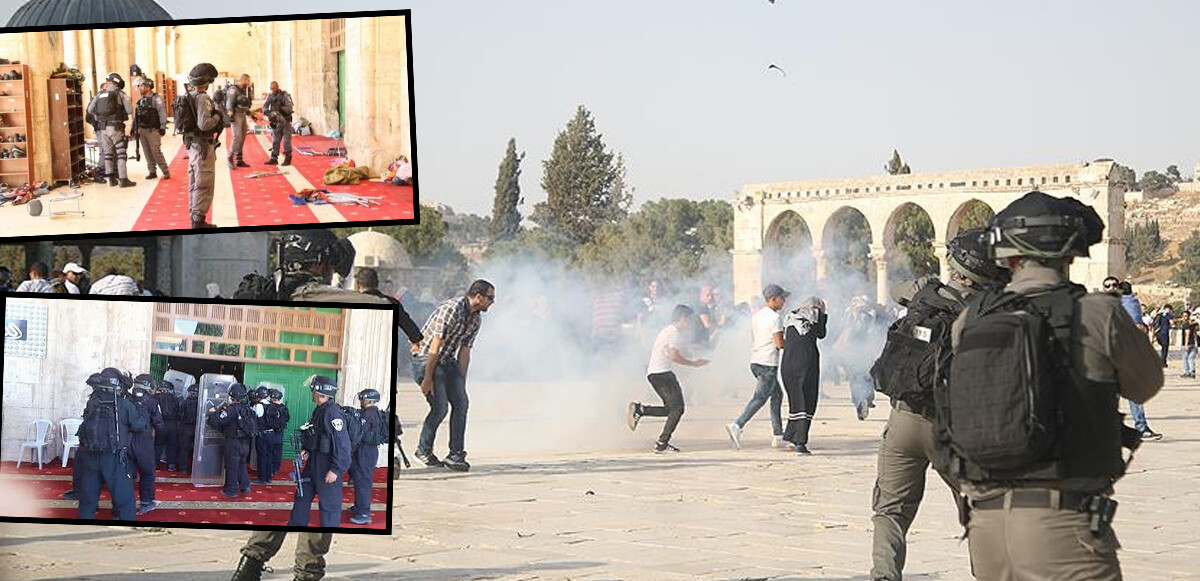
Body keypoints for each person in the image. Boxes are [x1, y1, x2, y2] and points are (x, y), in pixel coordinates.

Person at [945, 191, 1163, 580]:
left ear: (1009, 259)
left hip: (985, 530)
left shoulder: (969, 320)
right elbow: (1145, 385)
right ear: (1068, 256)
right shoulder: (1095, 312)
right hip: (1062, 528)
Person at [230, 232, 387, 581]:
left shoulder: (271, 285)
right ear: (319, 263)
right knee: (320, 523)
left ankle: (250, 565)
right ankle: (307, 573)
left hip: (304, 465)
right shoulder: (334, 413)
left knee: (289, 509)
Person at [867, 228, 1008, 581]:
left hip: (903, 422)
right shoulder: (984, 314)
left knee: (890, 512)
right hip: (952, 429)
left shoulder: (923, 297)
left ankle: (884, 576)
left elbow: (899, 295)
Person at [412, 279, 495, 472]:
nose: (492, 302)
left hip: (447, 361)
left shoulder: (475, 318)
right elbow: (434, 347)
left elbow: (465, 352)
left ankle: (456, 454)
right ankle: (423, 450)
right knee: (440, 407)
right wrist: (427, 378)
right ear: (478, 296)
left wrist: (461, 383)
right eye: (490, 298)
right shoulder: (452, 309)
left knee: (461, 403)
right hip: (427, 359)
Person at [626, 304, 711, 452]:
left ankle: (640, 410)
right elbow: (673, 355)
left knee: (670, 409)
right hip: (662, 374)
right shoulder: (674, 333)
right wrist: (693, 364)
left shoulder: (667, 331)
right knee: (678, 409)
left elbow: (669, 353)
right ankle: (662, 443)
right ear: (682, 319)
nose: (690, 324)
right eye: (689, 320)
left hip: (655, 373)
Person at [77, 368, 147, 521]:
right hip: (113, 457)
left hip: (90, 454)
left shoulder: (93, 402)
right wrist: (141, 407)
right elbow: (138, 425)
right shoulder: (123, 404)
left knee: (88, 500)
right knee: (126, 500)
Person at [726, 284, 789, 450]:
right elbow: (779, 343)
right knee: (760, 398)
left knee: (777, 395)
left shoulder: (757, 315)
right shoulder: (775, 318)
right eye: (782, 298)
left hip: (756, 361)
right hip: (768, 363)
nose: (784, 301)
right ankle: (737, 425)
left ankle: (778, 435)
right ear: (773, 299)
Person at [287, 375, 351, 527]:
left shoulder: (332, 413)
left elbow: (342, 444)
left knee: (329, 504)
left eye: (313, 390)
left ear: (320, 392)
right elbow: (315, 433)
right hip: (314, 462)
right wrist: (306, 448)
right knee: (302, 495)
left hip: (328, 465)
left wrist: (336, 469)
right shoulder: (320, 410)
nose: (311, 393)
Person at [778, 296, 828, 455]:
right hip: (806, 363)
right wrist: (823, 314)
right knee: (807, 401)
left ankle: (792, 438)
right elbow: (821, 334)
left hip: (788, 363)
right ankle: (800, 442)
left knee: (795, 402)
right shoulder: (816, 314)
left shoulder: (789, 316)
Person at [181, 63, 224, 229]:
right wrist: (218, 118)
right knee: (204, 181)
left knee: (194, 180)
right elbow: (205, 124)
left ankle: (195, 215)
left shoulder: (188, 96)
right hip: (202, 146)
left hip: (192, 145)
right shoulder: (203, 97)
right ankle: (198, 221)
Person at [206, 383, 256, 498]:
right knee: (242, 464)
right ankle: (245, 485)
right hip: (245, 443)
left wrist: (213, 413)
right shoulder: (248, 409)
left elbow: (219, 421)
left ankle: (231, 490)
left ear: (232, 397)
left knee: (231, 466)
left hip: (233, 442)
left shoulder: (231, 409)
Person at [86, 73, 136, 188]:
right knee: (121, 154)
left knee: (108, 154)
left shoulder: (99, 94)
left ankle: (111, 180)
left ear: (109, 82)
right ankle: (123, 180)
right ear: (118, 83)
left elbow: (90, 109)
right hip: (116, 128)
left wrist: (100, 116)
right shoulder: (120, 94)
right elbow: (129, 110)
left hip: (103, 128)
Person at [355, 267, 425, 347]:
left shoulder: (352, 301)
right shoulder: (392, 303)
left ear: (357, 285)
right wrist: (416, 340)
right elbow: (411, 329)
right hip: (384, 350)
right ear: (377, 284)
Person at [348, 388, 388, 525]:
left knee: (363, 482)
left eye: (362, 399)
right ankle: (358, 506)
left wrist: (350, 448)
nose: (360, 402)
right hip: (365, 450)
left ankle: (364, 513)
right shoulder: (368, 412)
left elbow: (359, 433)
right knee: (358, 479)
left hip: (366, 451)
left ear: (368, 400)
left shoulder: (370, 414)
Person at [129, 376, 163, 515]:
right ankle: (146, 502)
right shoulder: (152, 401)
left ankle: (124, 504)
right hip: (144, 441)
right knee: (147, 473)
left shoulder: (126, 399)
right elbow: (159, 424)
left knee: (126, 475)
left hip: (127, 440)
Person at [132, 77, 171, 180]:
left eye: (141, 86)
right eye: (139, 86)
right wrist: (134, 127)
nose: (139, 88)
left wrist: (162, 127)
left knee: (155, 151)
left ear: (148, 87)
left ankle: (166, 171)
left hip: (152, 130)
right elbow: (137, 115)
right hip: (142, 130)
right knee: (147, 152)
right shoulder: (140, 100)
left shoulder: (156, 98)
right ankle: (152, 171)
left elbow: (162, 112)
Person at [262, 81, 294, 166]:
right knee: (275, 140)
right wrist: (267, 112)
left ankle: (288, 158)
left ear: (278, 87)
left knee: (286, 141)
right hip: (277, 121)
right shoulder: (270, 96)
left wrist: (280, 107)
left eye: (274, 88)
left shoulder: (284, 95)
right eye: (271, 89)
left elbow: (290, 108)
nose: (272, 90)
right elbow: (265, 106)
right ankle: (274, 158)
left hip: (286, 120)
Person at [225, 74, 253, 169]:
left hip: (242, 114)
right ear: (244, 80)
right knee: (237, 137)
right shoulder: (233, 89)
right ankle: (230, 157)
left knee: (243, 136)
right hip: (236, 114)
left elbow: (244, 102)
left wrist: (249, 112)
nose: (249, 83)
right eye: (248, 81)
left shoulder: (243, 90)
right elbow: (230, 102)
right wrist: (231, 115)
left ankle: (239, 160)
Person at [153, 381, 180, 471]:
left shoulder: (155, 398)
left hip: (160, 424)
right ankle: (171, 465)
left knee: (158, 445)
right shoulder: (175, 399)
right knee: (172, 445)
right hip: (172, 425)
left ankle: (155, 464)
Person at [251, 386, 275, 484]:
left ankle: (261, 477)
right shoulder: (271, 405)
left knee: (262, 456)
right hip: (271, 433)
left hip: (262, 434)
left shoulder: (258, 406)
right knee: (269, 455)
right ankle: (268, 477)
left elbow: (253, 417)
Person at [266, 389, 290, 479]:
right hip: (280, 432)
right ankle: (276, 468)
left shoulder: (270, 407)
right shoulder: (284, 408)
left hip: (271, 432)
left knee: (270, 451)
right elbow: (287, 418)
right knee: (278, 451)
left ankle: (270, 469)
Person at [177, 383, 199, 476]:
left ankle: (183, 468)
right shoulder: (200, 403)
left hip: (185, 428)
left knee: (184, 449)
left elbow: (179, 415)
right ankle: (197, 469)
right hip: (196, 428)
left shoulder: (183, 402)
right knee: (198, 450)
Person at [1181, 310, 1199, 378]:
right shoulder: (1192, 324)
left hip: (1186, 343)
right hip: (1192, 343)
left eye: (1185, 316)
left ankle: (1187, 372)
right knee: (1191, 358)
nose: (1183, 317)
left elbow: (1187, 334)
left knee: (1185, 358)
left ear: (1188, 316)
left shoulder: (1186, 324)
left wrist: (1185, 344)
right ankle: (1192, 372)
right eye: (1183, 316)